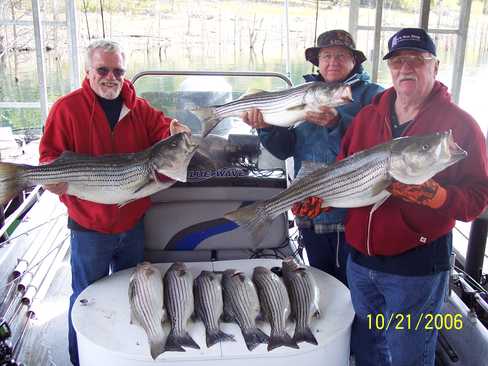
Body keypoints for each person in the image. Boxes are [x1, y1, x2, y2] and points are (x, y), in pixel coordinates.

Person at [338, 28, 488, 366]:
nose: (406, 68)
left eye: (417, 61)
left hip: (416, 268)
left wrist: (439, 197)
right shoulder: (367, 116)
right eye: (398, 61)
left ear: (435, 66)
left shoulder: (460, 125)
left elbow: (478, 198)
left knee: (409, 354)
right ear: (390, 68)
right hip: (360, 262)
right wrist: (319, 198)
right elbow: (342, 168)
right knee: (369, 347)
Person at [38, 40, 190, 366]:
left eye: (118, 71)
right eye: (103, 70)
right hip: (88, 227)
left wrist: (174, 129)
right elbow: (49, 156)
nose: (111, 77)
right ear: (88, 71)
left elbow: (161, 126)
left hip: (131, 224)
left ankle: (125, 355)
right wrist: (52, 179)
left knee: (133, 295)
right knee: (84, 299)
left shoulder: (138, 107)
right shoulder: (67, 108)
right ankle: (80, 358)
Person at [242, 30, 383, 285]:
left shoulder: (373, 96)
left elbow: (379, 147)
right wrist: (266, 127)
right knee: (322, 280)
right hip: (309, 208)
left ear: (355, 61)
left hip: (351, 213)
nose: (332, 61)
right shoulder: (301, 93)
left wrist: (338, 122)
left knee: (355, 285)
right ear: (317, 61)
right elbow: (284, 149)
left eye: (341, 55)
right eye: (326, 55)